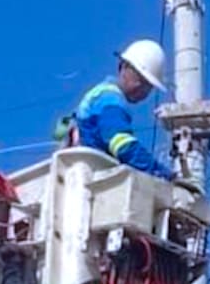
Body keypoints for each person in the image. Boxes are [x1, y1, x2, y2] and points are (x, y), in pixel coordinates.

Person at [55, 39, 174, 180]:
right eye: (140, 80)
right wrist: (162, 174)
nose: (143, 89)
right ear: (123, 67)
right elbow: (122, 144)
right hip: (90, 176)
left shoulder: (100, 95)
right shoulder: (110, 100)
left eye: (149, 86)